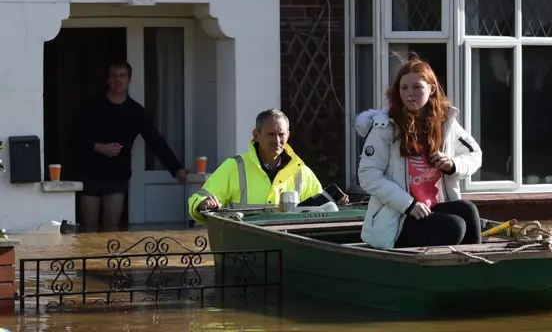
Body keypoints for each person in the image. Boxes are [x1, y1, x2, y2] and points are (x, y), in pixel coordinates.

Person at [354, 54, 483, 250]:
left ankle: (475, 270)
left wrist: (452, 164)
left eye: (417, 87)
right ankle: (436, 275)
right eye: (404, 88)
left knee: (467, 210)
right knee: (454, 227)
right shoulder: (384, 126)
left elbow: (474, 154)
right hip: (397, 217)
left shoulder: (445, 122)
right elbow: (368, 176)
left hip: (430, 208)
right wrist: (408, 204)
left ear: (431, 89)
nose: (409, 93)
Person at [71, 61, 188, 231]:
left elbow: (155, 141)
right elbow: (75, 137)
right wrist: (98, 147)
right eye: (113, 75)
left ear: (129, 79)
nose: (118, 79)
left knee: (111, 228)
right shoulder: (91, 105)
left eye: (122, 75)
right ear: (108, 79)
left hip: (117, 175)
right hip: (89, 173)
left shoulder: (135, 111)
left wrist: (176, 168)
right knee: (89, 229)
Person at [188, 108, 348, 226]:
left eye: (281, 135)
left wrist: (337, 203)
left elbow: (322, 211)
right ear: (256, 135)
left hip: (289, 251)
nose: (277, 140)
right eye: (271, 134)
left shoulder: (301, 171)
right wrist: (204, 203)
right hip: (245, 250)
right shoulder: (234, 166)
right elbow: (197, 199)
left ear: (288, 136)